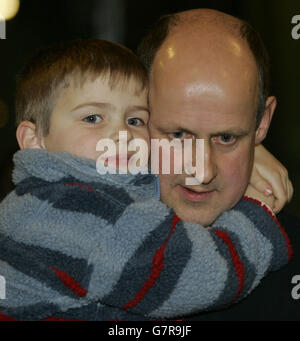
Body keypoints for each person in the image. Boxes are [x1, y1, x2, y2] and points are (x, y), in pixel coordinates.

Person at [0, 38, 292, 321]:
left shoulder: (36, 200)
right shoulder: (78, 211)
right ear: (33, 139)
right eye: (92, 118)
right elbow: (201, 276)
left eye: (135, 121)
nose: (121, 136)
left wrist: (247, 150)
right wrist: (257, 214)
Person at [137, 8, 300, 320]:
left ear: (262, 122)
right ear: (135, 116)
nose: (203, 172)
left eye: (226, 137)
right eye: (179, 134)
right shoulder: (70, 242)